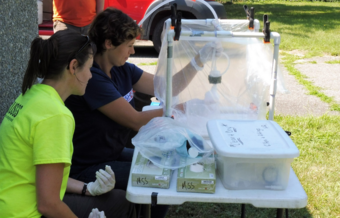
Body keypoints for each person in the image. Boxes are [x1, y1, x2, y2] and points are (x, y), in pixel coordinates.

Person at [64, 7, 222, 218]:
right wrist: (184, 108)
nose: (133, 51)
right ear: (109, 44)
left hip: (110, 153)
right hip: (87, 167)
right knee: (159, 178)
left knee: (167, 162)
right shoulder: (93, 79)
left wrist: (199, 60)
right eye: (129, 45)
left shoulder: (123, 69)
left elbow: (168, 87)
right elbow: (136, 121)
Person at [0, 30, 135, 218]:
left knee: (117, 199)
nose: (90, 76)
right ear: (73, 66)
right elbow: (48, 205)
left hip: (9, 205)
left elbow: (44, 176)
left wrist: (88, 188)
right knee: (121, 203)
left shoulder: (30, 95)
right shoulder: (56, 115)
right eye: (88, 68)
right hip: (24, 212)